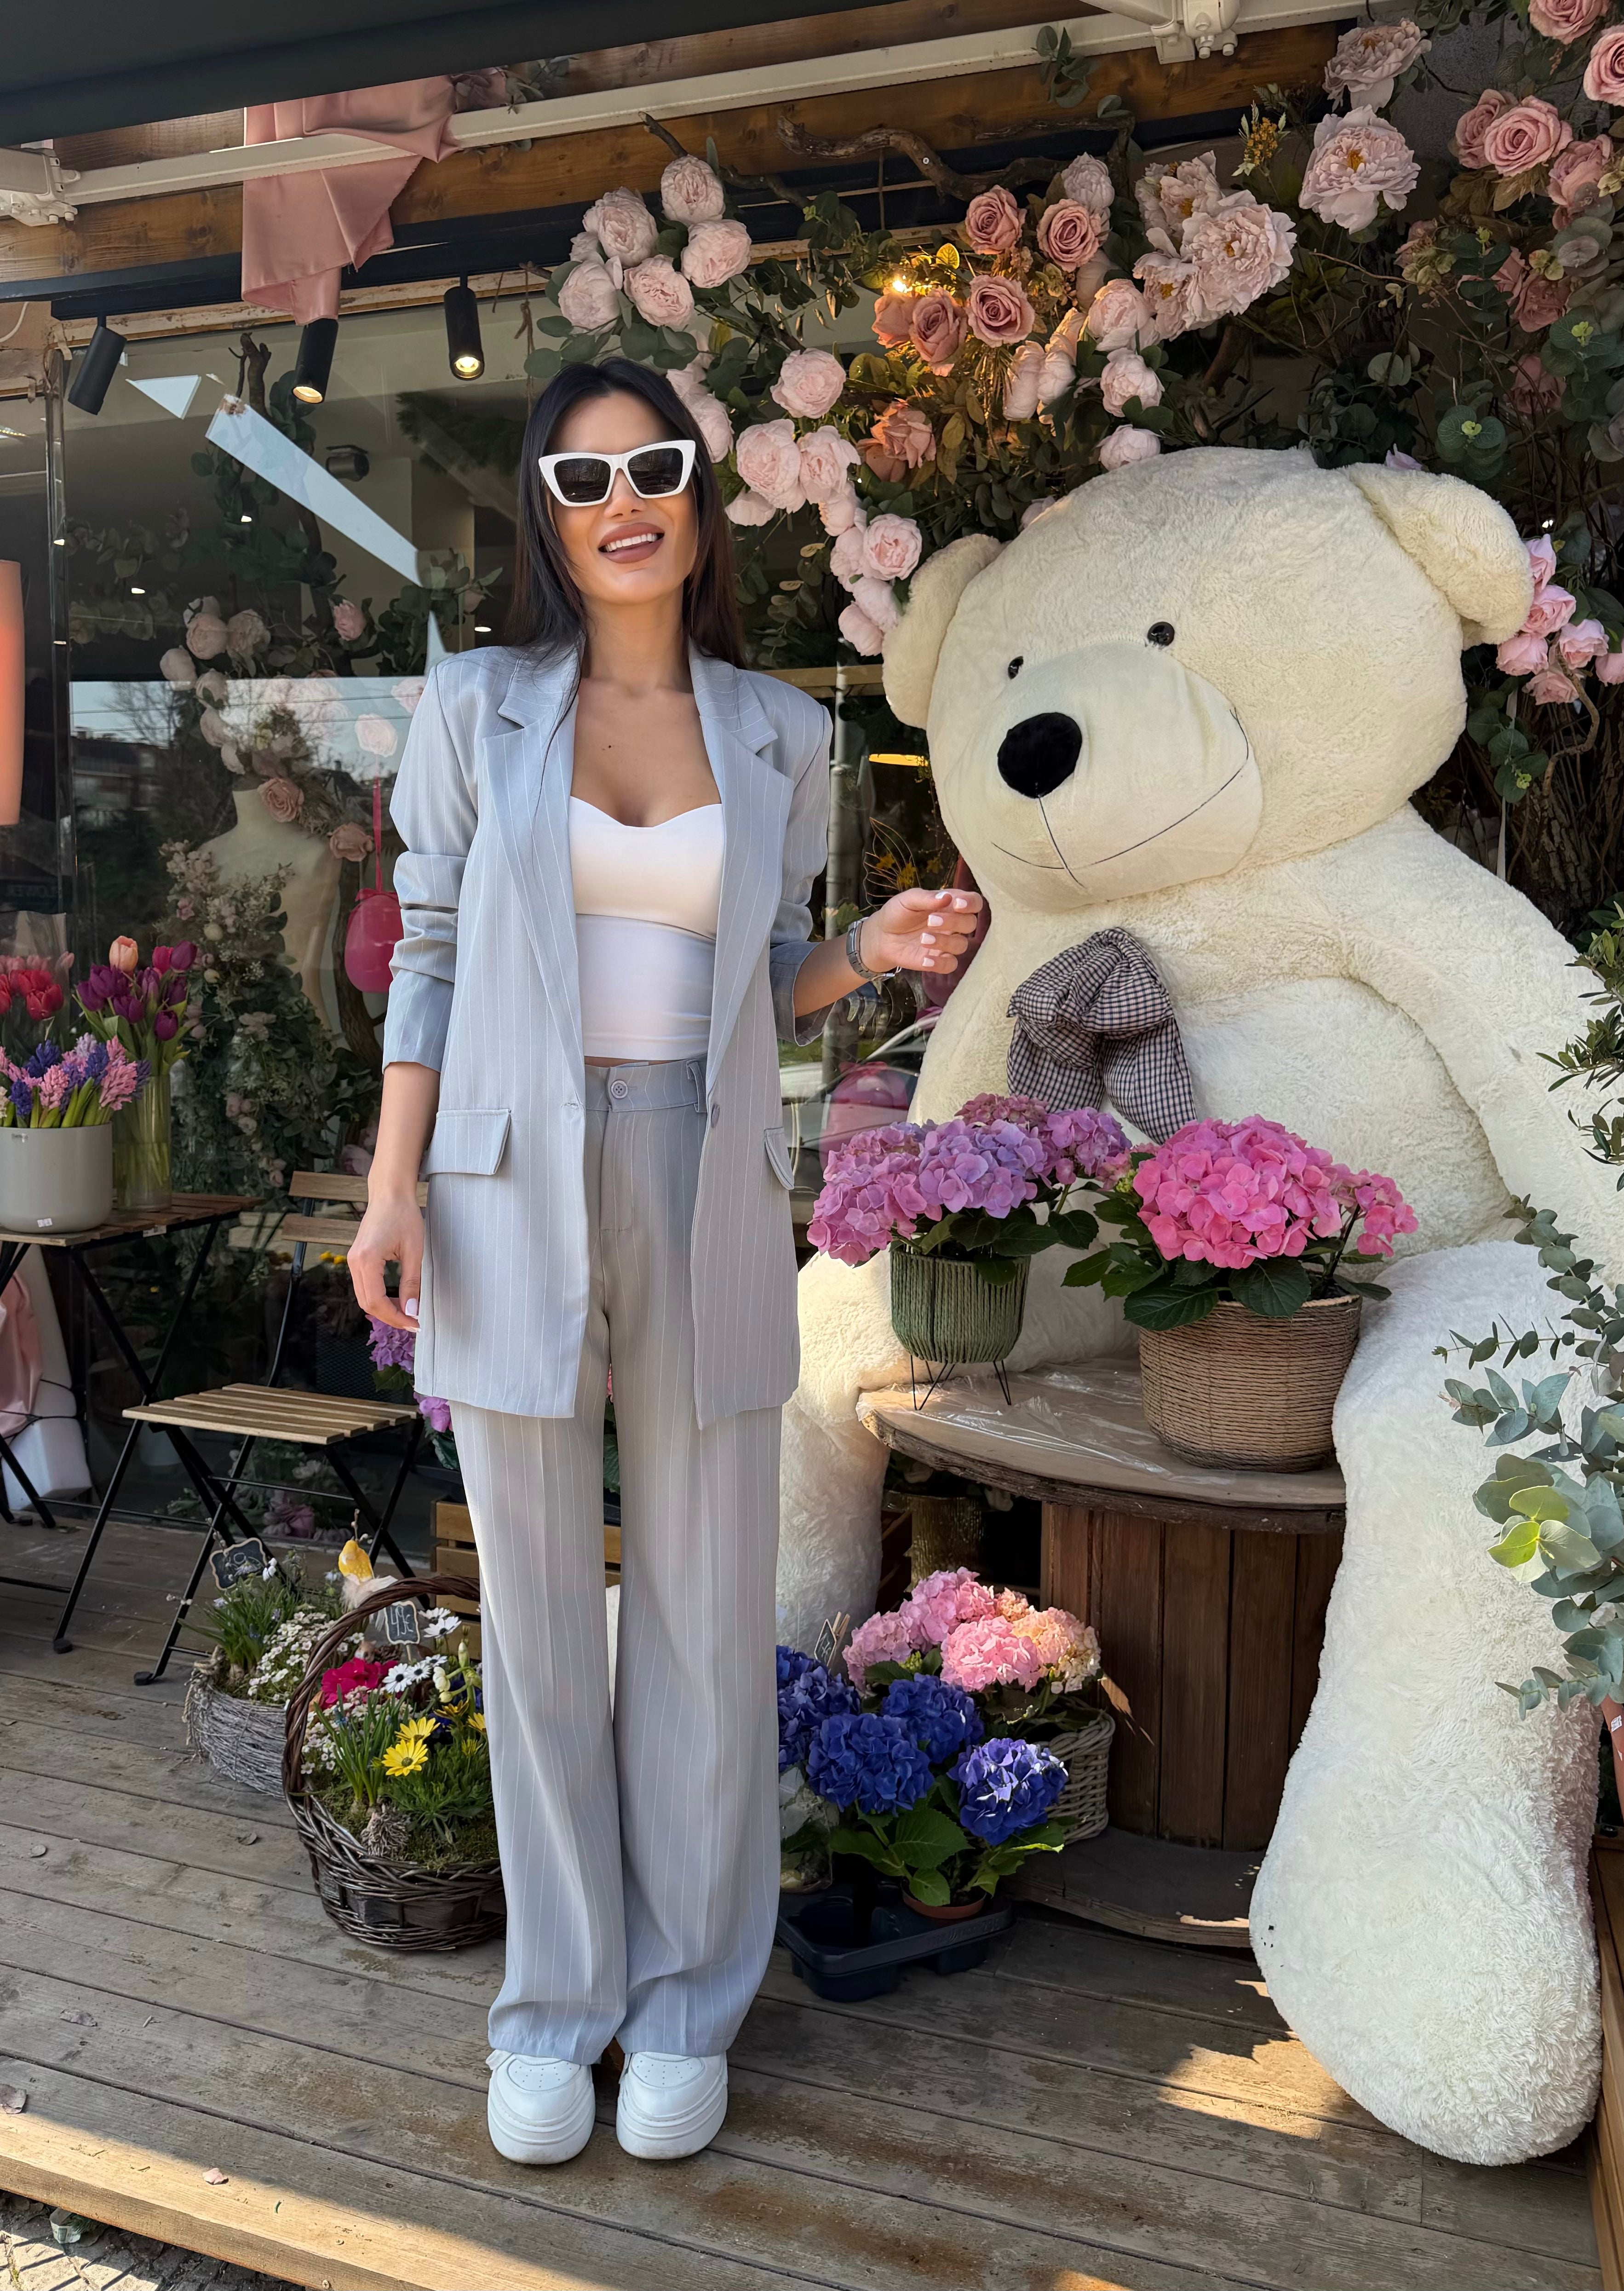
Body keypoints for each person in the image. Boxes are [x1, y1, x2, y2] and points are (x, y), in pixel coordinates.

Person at [348, 359, 982, 2166]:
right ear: (546, 514)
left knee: (706, 1609)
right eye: (582, 477)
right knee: (540, 1619)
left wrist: (870, 947)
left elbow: (769, 972)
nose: (621, 502)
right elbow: (429, 953)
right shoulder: (477, 704)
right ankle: (556, 2008)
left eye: (653, 468)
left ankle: (693, 1997)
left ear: (698, 497)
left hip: (704, 1171)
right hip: (502, 1174)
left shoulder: (778, 730)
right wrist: (391, 1187)